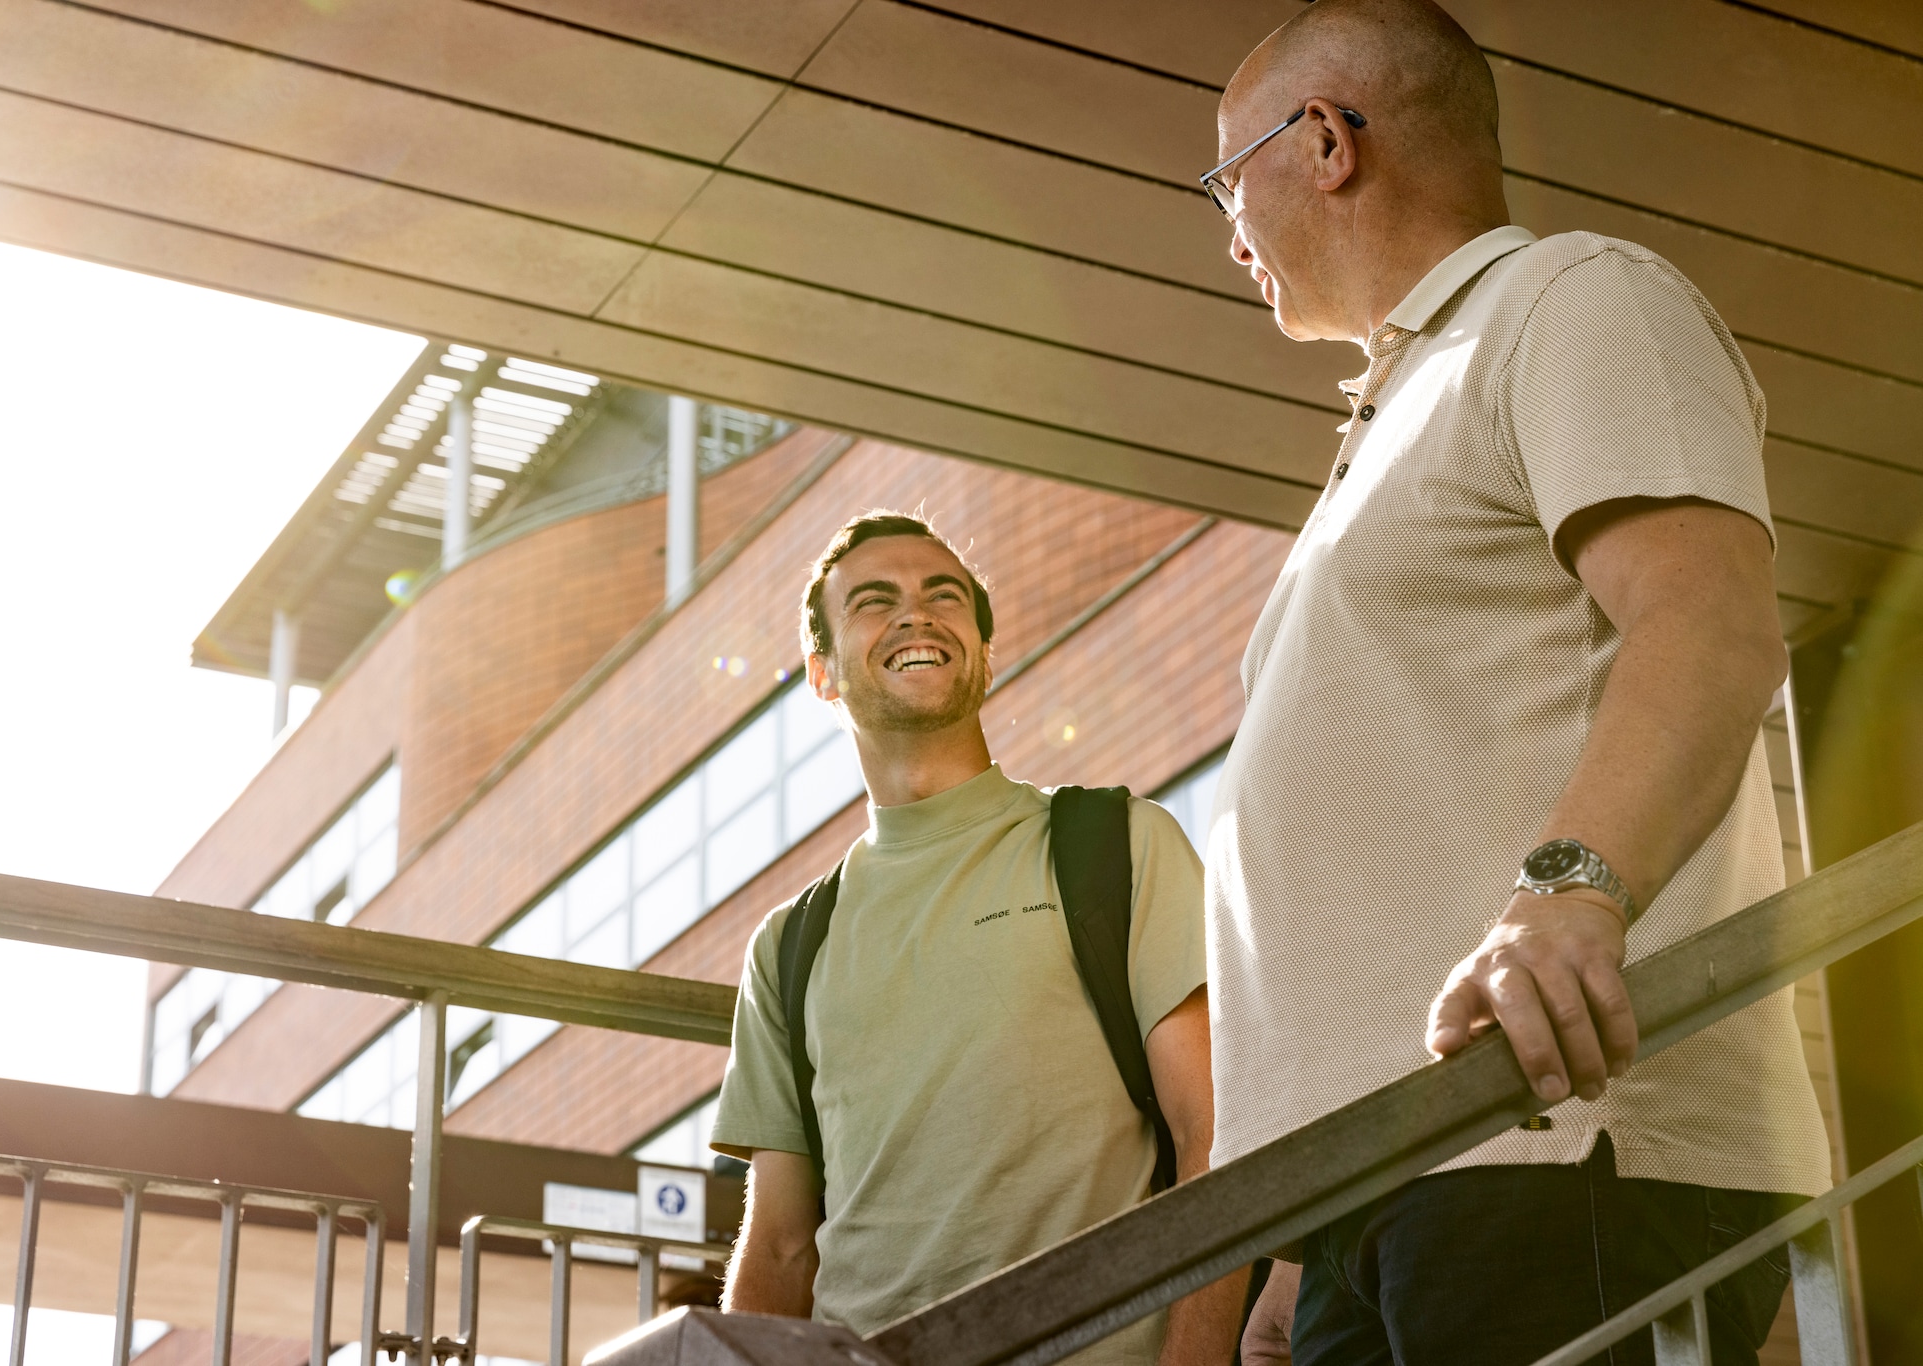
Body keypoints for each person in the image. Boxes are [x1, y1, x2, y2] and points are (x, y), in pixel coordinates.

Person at [1197, 2, 1830, 1362]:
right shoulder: (1403, 400)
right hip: (1388, 1180)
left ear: (1322, 142)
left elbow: (1707, 626)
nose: (1224, 222)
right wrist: (1309, 1231)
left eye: (1224, 172)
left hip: (1553, 1138)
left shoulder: (1572, 297)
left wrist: (1569, 893)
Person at [711, 512, 1249, 1366]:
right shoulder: (788, 945)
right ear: (822, 673)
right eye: (875, 600)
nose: (916, 614)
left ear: (984, 653)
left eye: (944, 595)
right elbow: (779, 1245)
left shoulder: (1116, 844)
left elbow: (1214, 1134)